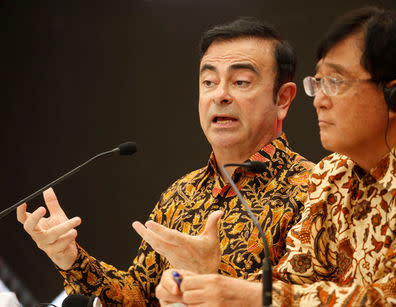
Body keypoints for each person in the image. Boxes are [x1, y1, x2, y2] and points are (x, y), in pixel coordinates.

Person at [156, 7, 396, 306]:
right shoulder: (332, 176)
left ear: (395, 96)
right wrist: (206, 281)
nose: (319, 101)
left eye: (335, 82)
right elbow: (292, 281)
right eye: (318, 83)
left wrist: (250, 295)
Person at [16, 18, 314, 306]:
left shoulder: (314, 191)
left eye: (240, 81)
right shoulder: (182, 193)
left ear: (283, 99)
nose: (220, 95)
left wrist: (209, 279)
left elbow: (306, 301)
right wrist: (69, 257)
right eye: (209, 81)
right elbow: (137, 299)